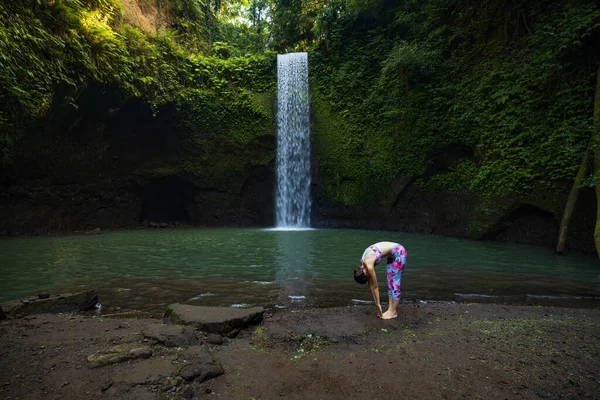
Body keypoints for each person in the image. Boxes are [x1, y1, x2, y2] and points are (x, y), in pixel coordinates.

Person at [354, 241, 407, 319]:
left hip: (400, 252)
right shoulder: (362, 262)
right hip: (391, 255)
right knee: (390, 282)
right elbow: (370, 285)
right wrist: (376, 304)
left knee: (395, 282)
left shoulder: (368, 265)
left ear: (365, 273)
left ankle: (393, 312)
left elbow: (375, 286)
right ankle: (390, 309)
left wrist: (378, 305)